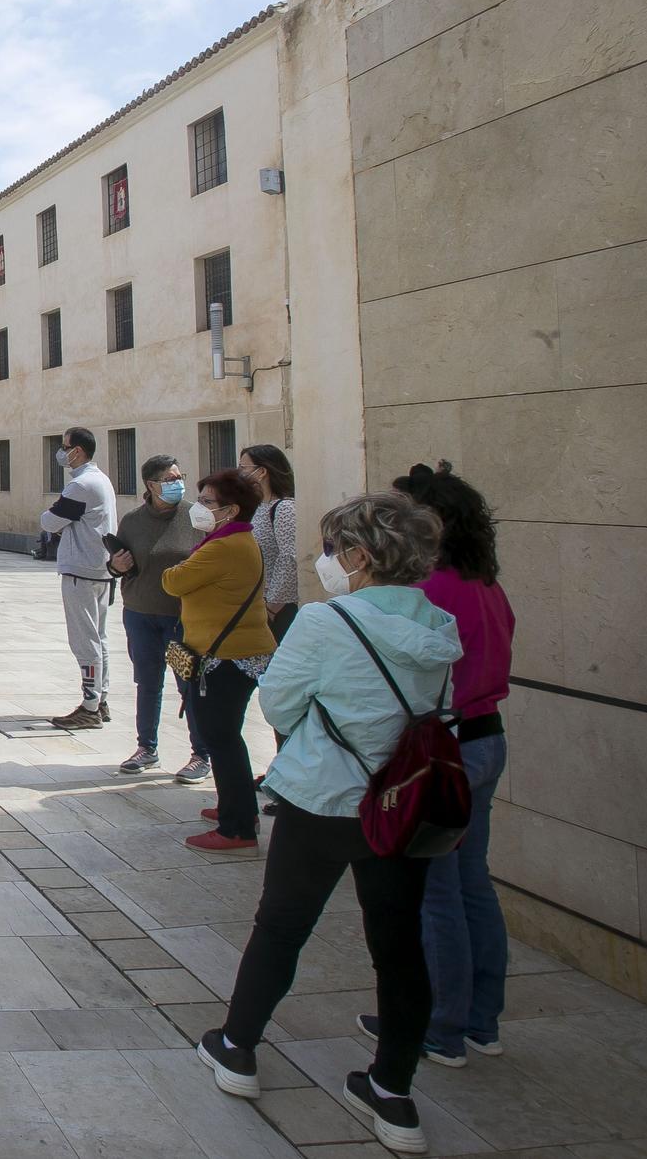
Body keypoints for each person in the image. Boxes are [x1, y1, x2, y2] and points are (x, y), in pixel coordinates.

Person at [198, 493, 459, 1155]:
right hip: (399, 806)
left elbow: (281, 700)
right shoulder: (436, 625)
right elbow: (438, 710)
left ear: (361, 556)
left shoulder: (323, 622)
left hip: (322, 797)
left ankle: (237, 1047)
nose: (328, 561)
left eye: (336, 548)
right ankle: (393, 1091)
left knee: (282, 925)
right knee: (397, 947)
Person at [392, 460, 514, 1068]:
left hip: (449, 750)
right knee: (472, 885)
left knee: (438, 892)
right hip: (487, 741)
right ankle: (480, 1021)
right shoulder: (485, 583)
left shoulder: (433, 591)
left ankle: (441, 1027)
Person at [162, 468, 277, 852]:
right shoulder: (231, 540)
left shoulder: (224, 546)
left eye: (209, 503)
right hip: (230, 651)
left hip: (226, 657)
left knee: (221, 738)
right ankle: (236, 805)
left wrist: (179, 567)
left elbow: (173, 581)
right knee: (225, 736)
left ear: (231, 510)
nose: (201, 508)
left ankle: (238, 827)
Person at [110, 454, 213, 782]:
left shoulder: (197, 517)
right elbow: (118, 564)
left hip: (181, 619)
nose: (177, 484)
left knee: (189, 686)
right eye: (170, 479)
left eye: (179, 477)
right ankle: (147, 747)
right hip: (140, 614)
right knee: (148, 682)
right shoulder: (132, 521)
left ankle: (201, 753)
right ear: (151, 485)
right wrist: (116, 566)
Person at [44, 426, 118, 729]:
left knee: (84, 640)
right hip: (98, 568)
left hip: (82, 569)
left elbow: (49, 521)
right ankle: (100, 699)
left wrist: (55, 521)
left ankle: (90, 706)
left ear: (78, 450)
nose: (62, 452)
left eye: (65, 446)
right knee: (98, 638)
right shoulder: (99, 479)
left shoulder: (81, 485)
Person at [241, 445, 299, 642]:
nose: (240, 473)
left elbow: (289, 558)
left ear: (262, 471)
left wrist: (272, 607)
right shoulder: (257, 507)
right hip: (256, 602)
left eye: (243, 468)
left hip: (277, 609)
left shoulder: (283, 508)